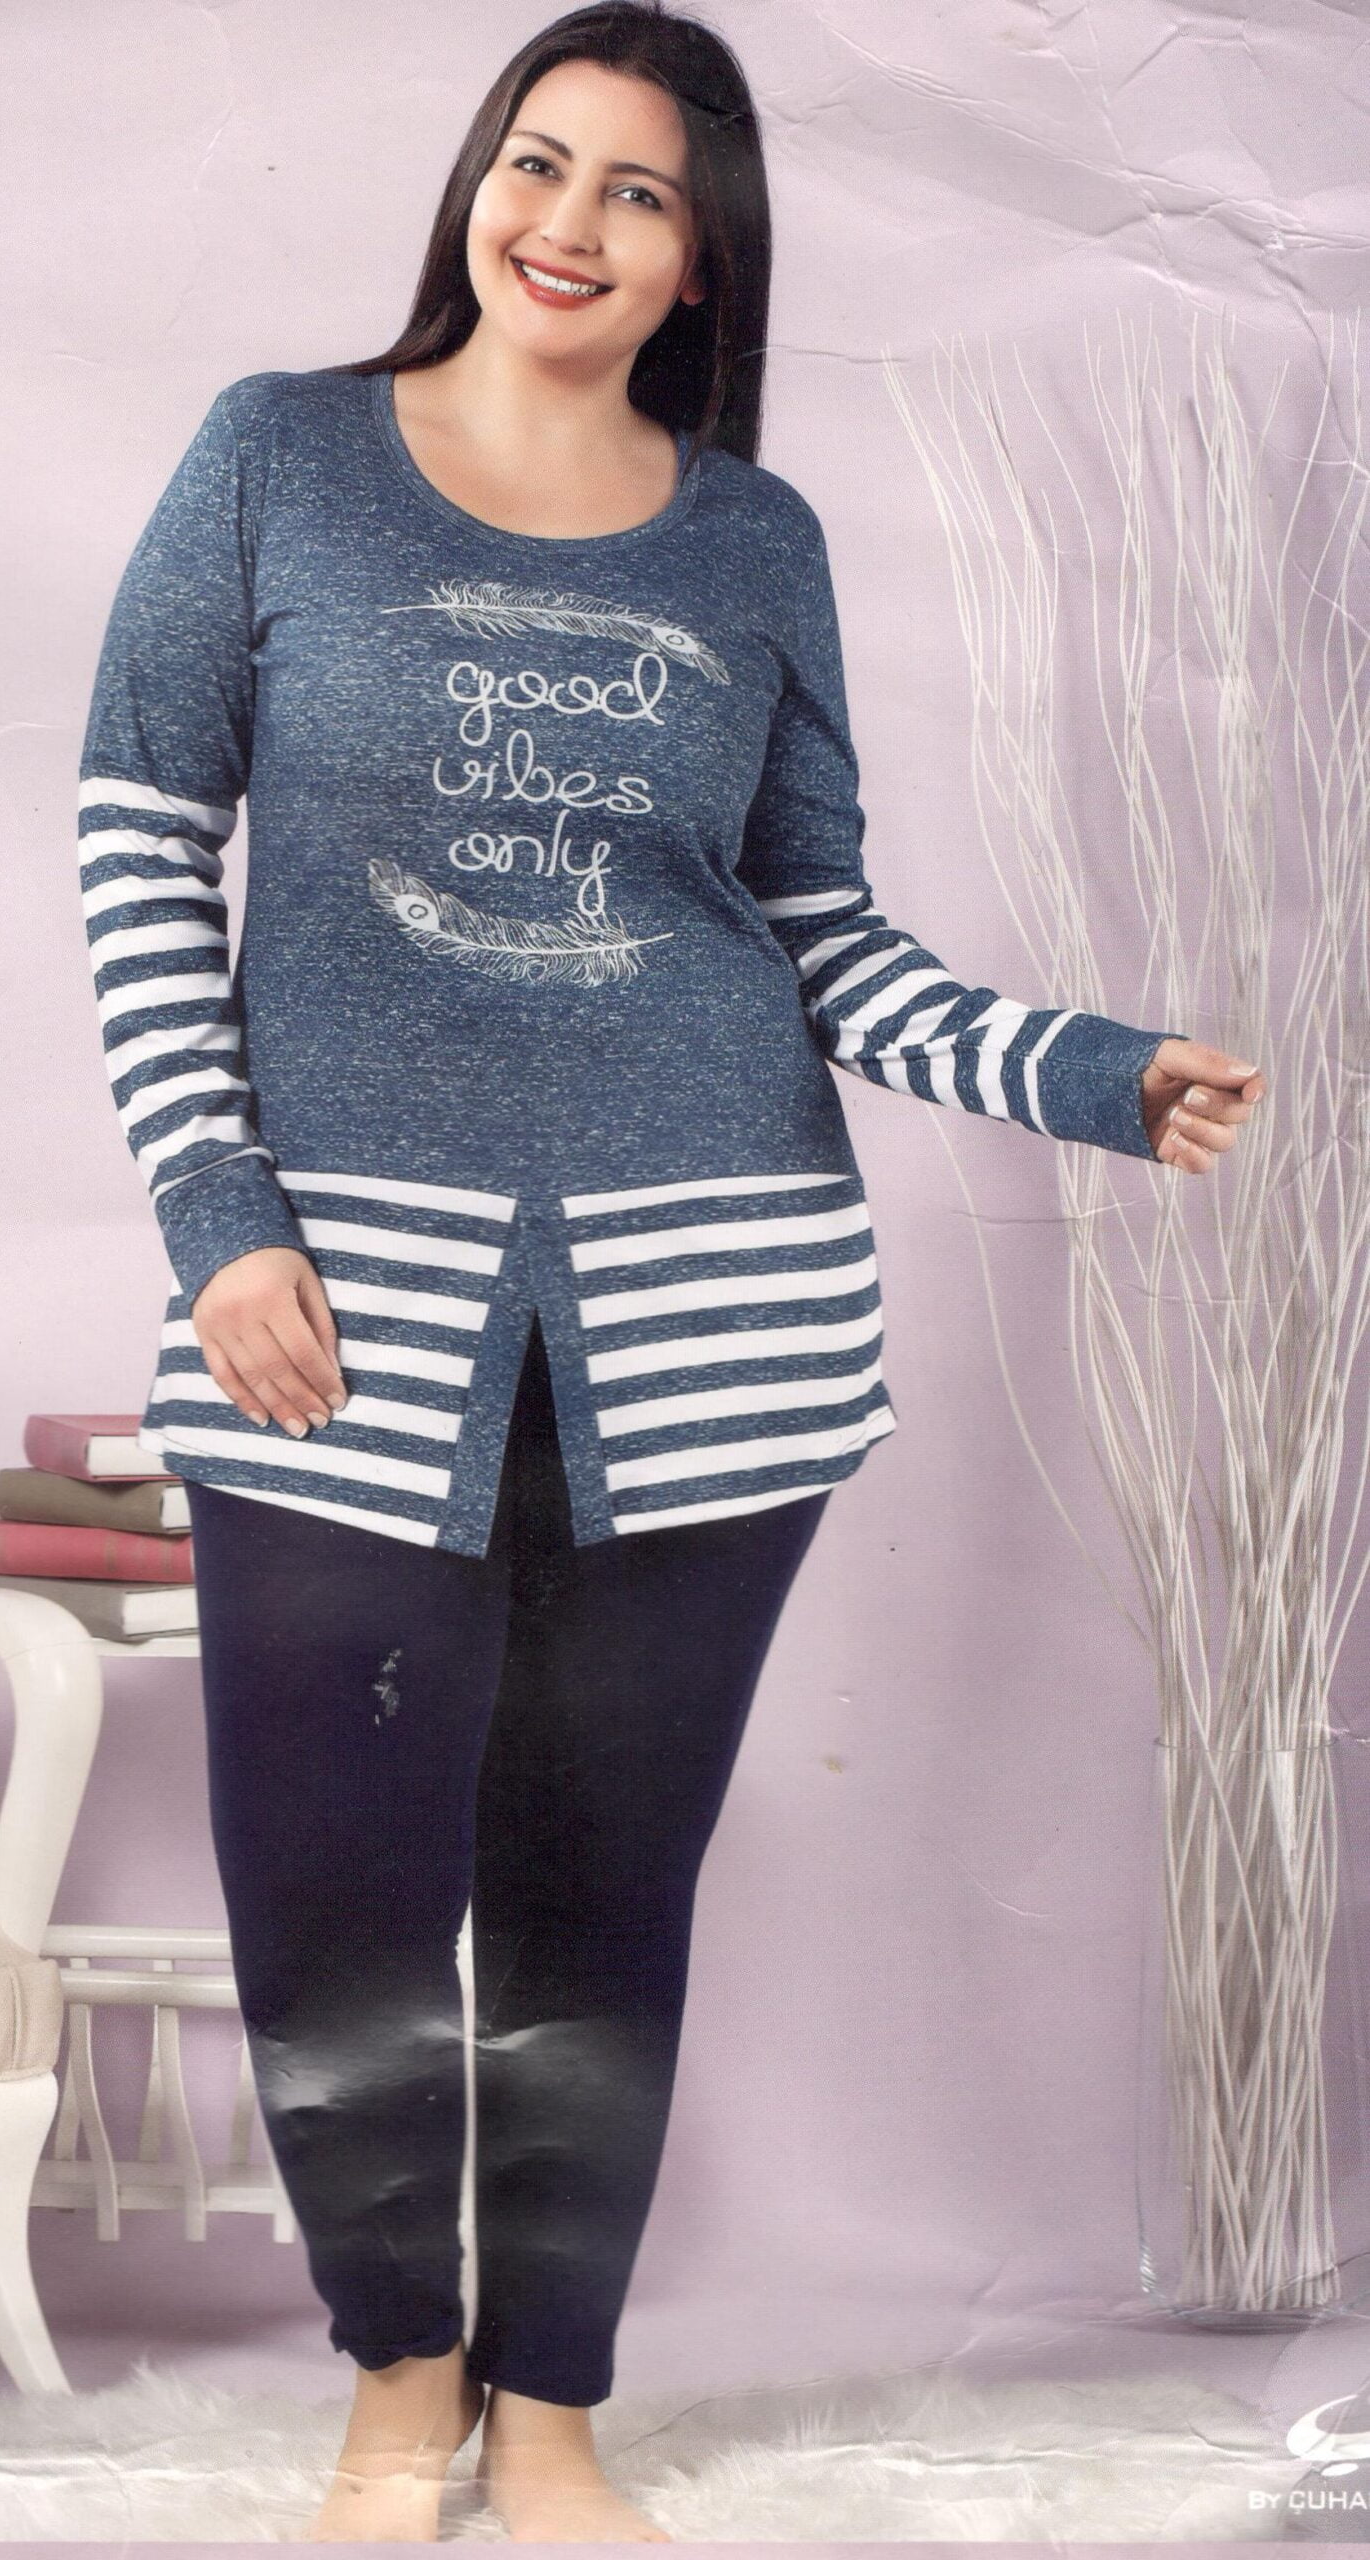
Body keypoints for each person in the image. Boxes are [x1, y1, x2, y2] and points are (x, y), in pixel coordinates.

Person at [76, 4, 1267, 2536]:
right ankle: (400, 2387)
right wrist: (217, 1211)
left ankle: (552, 2412)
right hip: (337, 1318)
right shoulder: (278, 456)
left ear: (702, 254)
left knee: (600, 1898)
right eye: (540, 162)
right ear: (474, 182)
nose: (571, 223)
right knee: (334, 1894)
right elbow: (137, 834)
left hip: (719, 1320)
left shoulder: (753, 542)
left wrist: (1089, 1070)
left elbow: (825, 934)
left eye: (639, 191)